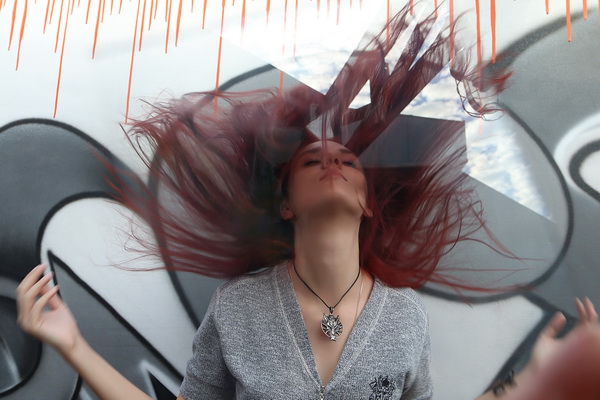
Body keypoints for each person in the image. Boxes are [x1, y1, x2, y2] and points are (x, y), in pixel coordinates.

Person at [13, 3, 600, 399]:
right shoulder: (237, 308)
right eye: (310, 161)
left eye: (349, 161)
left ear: (368, 204)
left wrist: (536, 383)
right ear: (286, 204)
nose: (332, 159)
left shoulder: (404, 317)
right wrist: (72, 344)